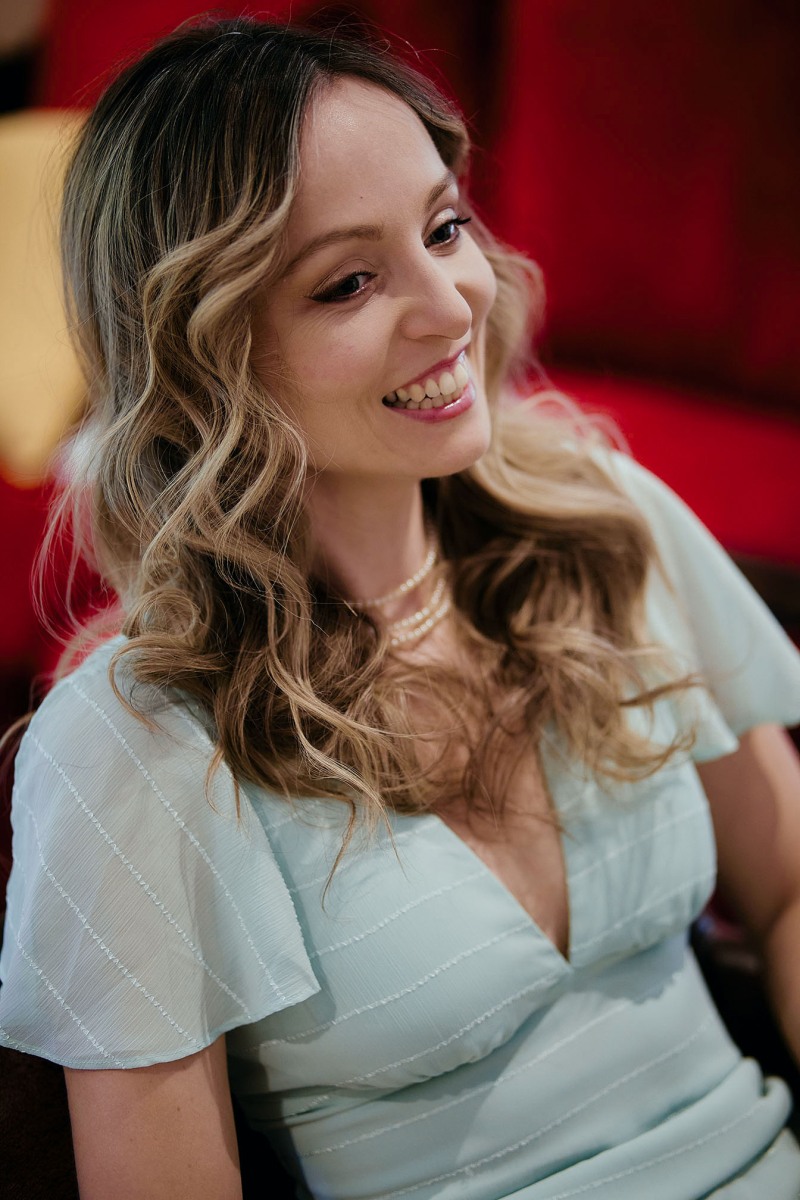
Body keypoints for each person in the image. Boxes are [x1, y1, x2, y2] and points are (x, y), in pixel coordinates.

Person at [1, 16, 800, 1199]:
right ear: (202, 357)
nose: (450, 306)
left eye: (444, 226)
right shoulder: (135, 747)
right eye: (349, 282)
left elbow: (786, 889)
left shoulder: (604, 523)